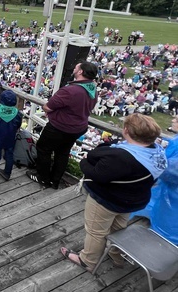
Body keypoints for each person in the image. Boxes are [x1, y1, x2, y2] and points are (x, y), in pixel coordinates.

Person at [60, 114, 166, 271]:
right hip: (132, 200)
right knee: (119, 226)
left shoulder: (121, 156)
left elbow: (96, 170)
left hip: (108, 199)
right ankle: (116, 252)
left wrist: (83, 162)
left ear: (127, 131)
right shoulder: (157, 153)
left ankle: (88, 260)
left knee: (96, 231)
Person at [27, 61, 98, 189]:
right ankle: (55, 181)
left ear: (81, 71)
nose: (74, 68)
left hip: (60, 127)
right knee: (63, 153)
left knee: (43, 149)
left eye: (76, 67)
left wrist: (47, 109)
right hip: (77, 128)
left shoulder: (71, 90)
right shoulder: (92, 89)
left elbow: (48, 107)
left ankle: (43, 178)